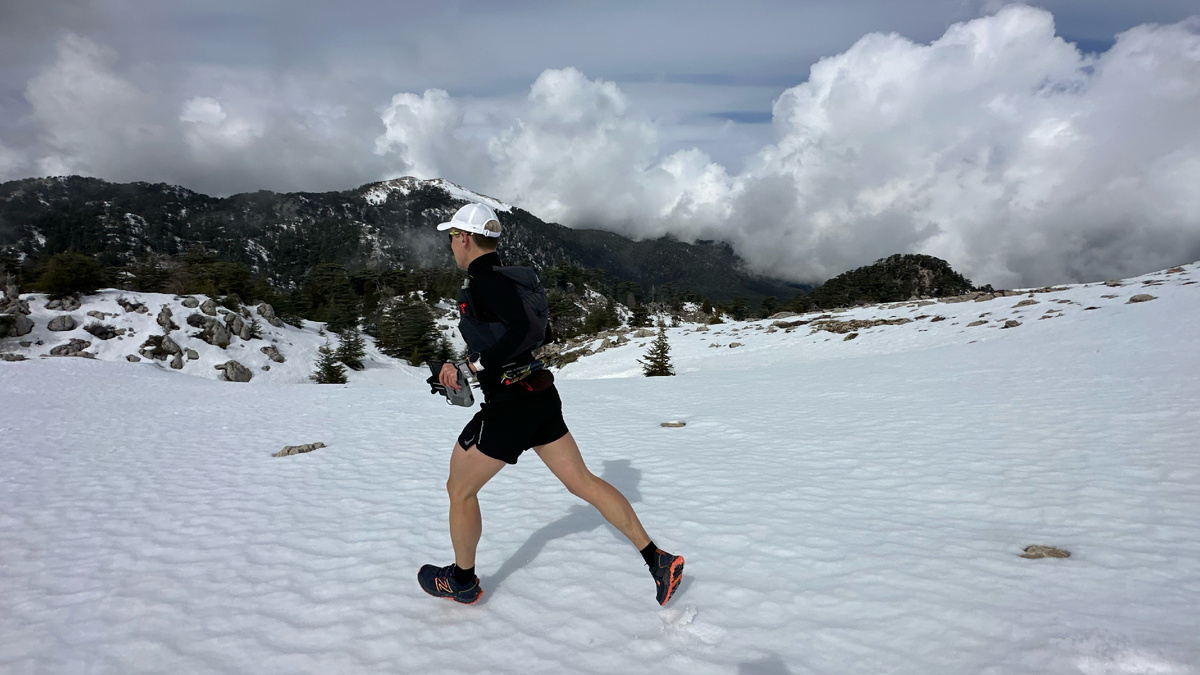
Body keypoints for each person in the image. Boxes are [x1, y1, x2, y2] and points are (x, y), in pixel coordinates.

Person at [417, 202, 684, 606]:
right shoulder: (512, 278)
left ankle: (463, 581)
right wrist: (467, 365)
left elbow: (525, 329)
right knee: (584, 482)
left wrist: (478, 364)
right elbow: (529, 330)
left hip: (510, 407)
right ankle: (657, 559)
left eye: (451, 237)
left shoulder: (486, 282)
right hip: (538, 396)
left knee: (459, 489)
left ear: (464, 239)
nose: (451, 246)